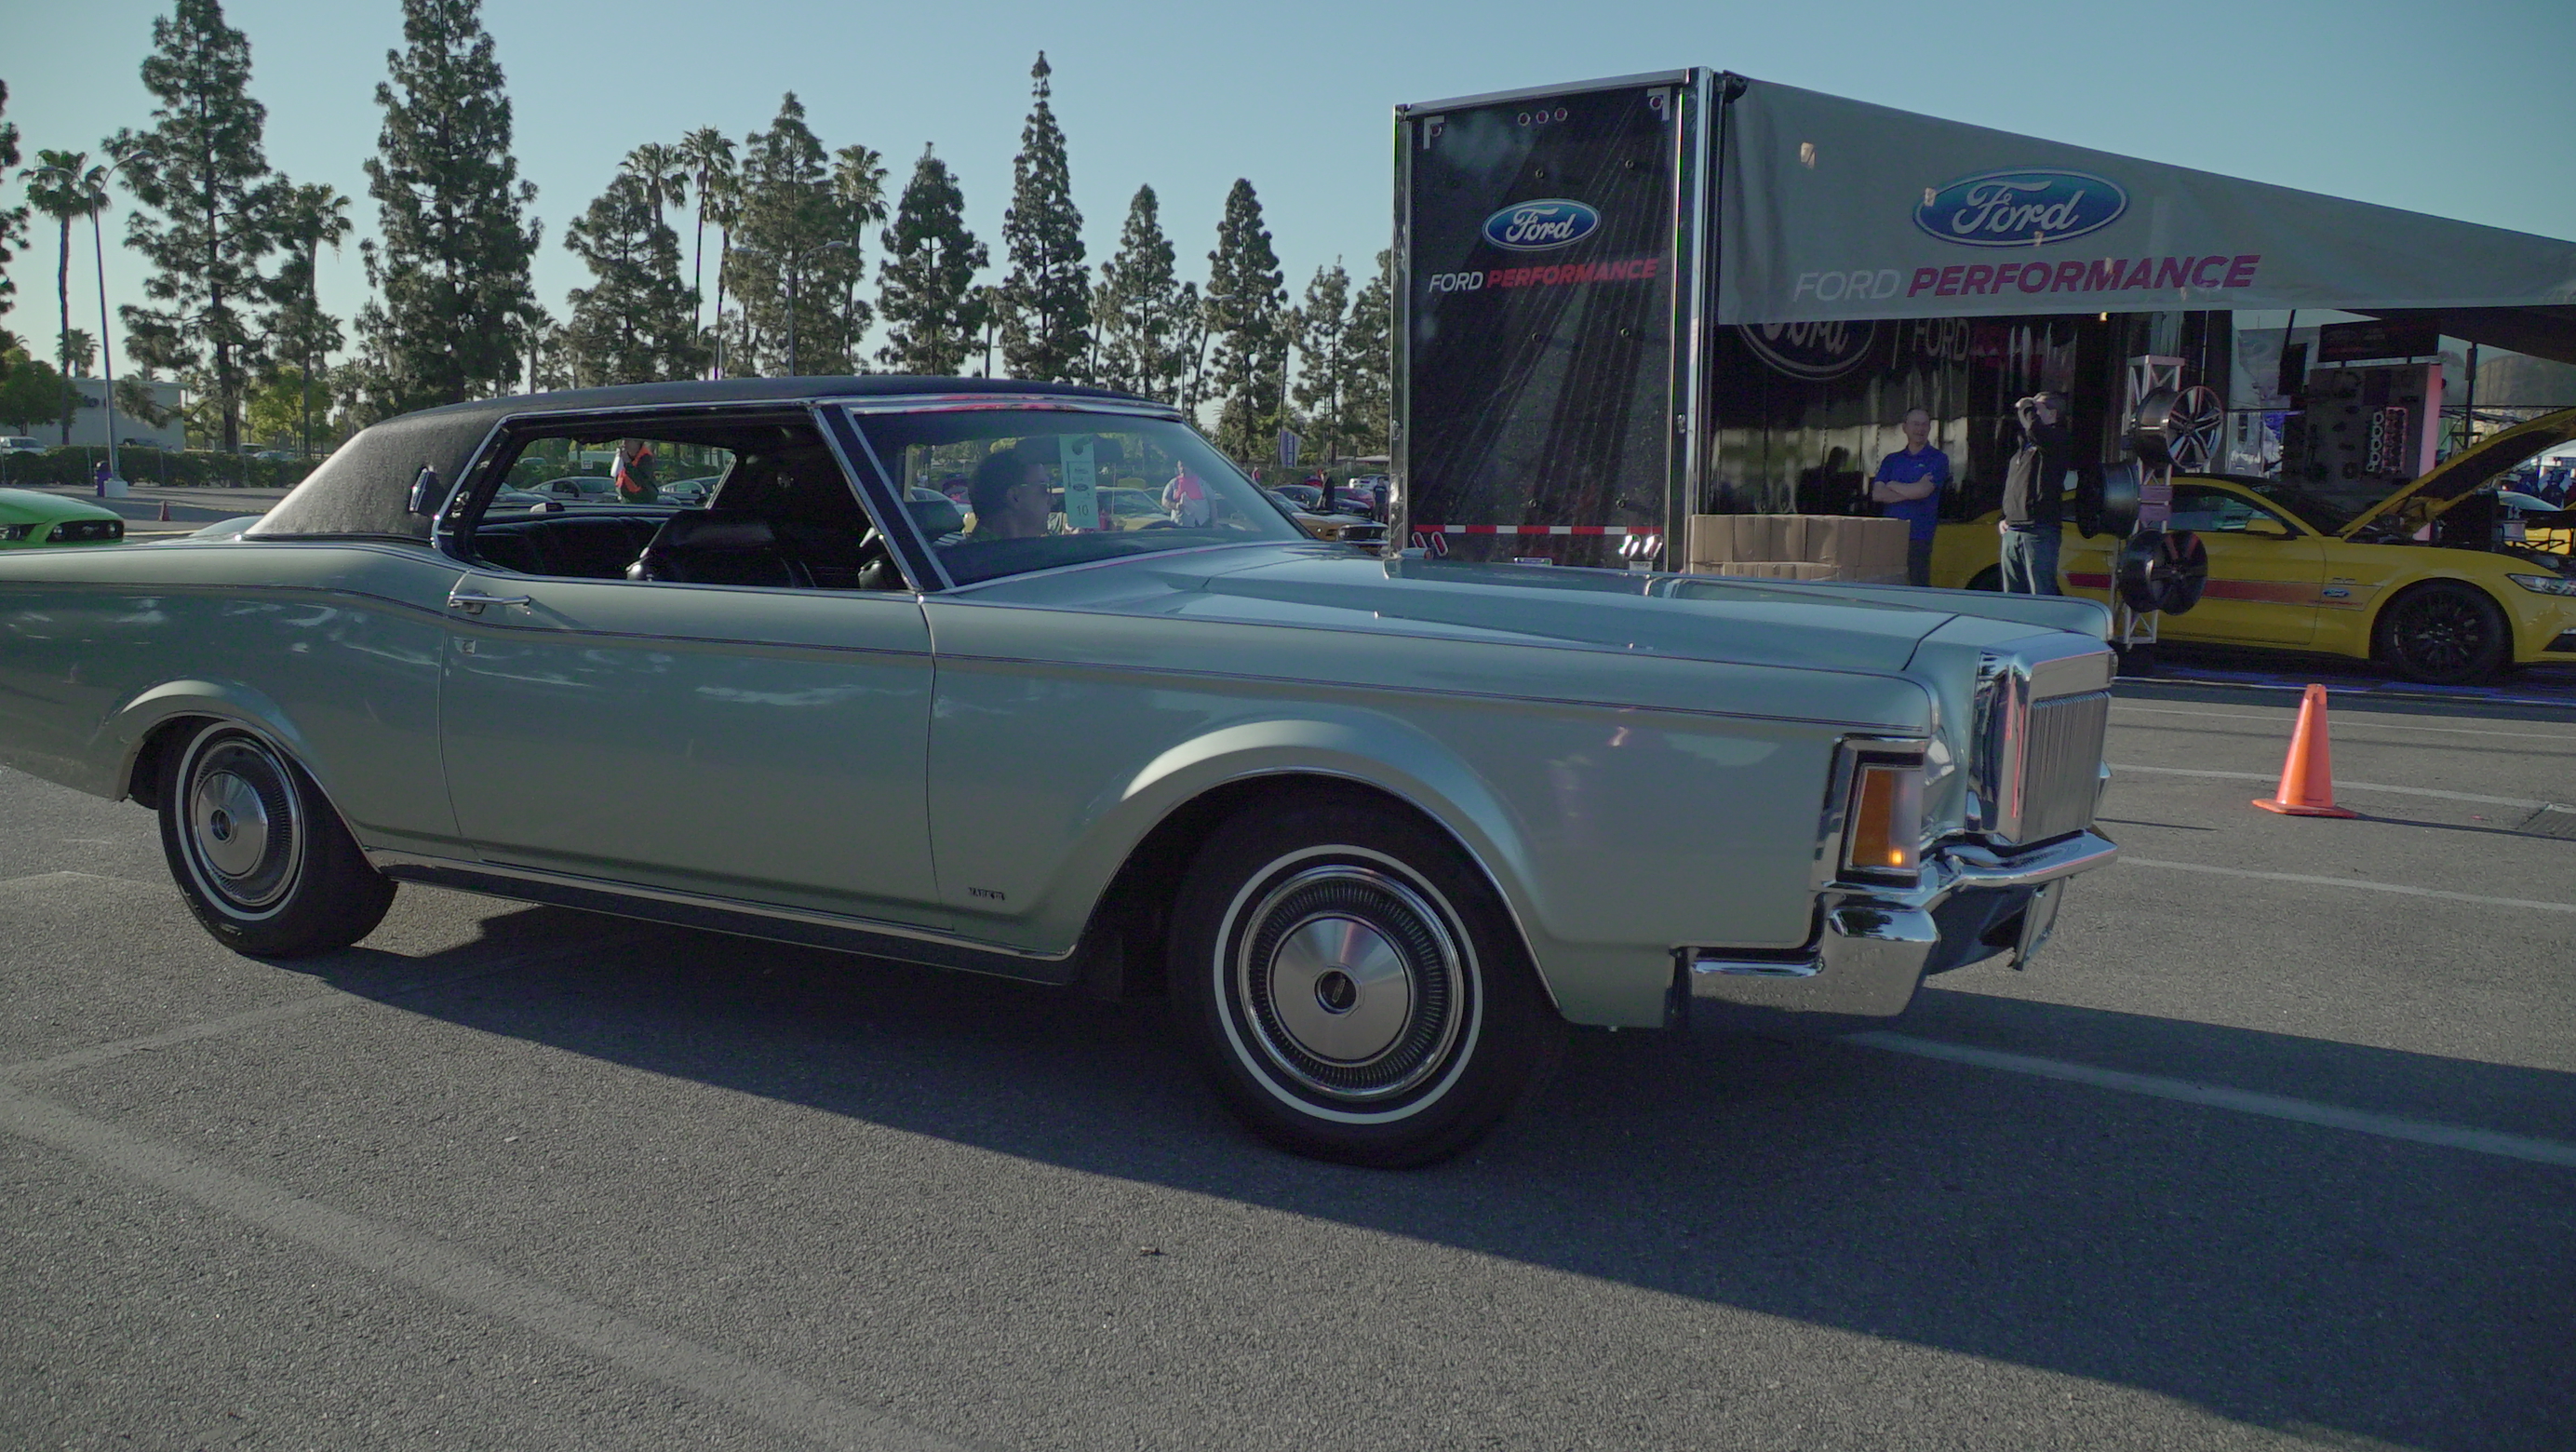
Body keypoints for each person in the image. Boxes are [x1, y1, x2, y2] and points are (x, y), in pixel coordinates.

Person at [1999, 393, 2073, 595]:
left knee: (2041, 593)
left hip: (2039, 530)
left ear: (2052, 414)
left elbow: (2035, 429)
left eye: (2036, 409)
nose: (2029, 413)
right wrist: (2005, 517)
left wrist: (2025, 404)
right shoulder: (2025, 447)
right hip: (2013, 529)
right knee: (2012, 595)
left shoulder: (2057, 439)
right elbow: (2015, 485)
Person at [1869, 409, 1950, 586]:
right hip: (1891, 533)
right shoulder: (1892, 460)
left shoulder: (1938, 459)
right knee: (1889, 585)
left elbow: (1923, 491)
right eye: (1916, 424)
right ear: (1905, 428)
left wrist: (1893, 484)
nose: (1920, 429)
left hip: (1919, 535)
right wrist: (1913, 490)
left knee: (1917, 586)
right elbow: (1877, 494)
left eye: (1925, 425)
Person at [963, 447, 1052, 540]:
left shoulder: (977, 547)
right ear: (1015, 496)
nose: (1052, 500)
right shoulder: (987, 549)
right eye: (1044, 488)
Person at [1162, 460, 1211, 527]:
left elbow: (1212, 502)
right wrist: (1176, 506)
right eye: (1181, 466)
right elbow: (1164, 501)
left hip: (1201, 525)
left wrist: (1214, 522)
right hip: (1178, 525)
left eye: (1185, 466)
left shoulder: (1202, 483)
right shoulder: (1174, 483)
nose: (1183, 469)